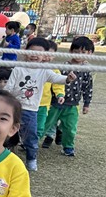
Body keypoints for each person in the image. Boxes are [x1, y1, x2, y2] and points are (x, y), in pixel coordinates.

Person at [5, 37, 75, 171]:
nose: (35, 55)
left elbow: (56, 78)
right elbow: (9, 87)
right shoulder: (18, 68)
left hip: (31, 110)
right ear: (25, 52)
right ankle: (4, 156)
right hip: (13, 108)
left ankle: (31, 159)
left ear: (44, 56)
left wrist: (68, 79)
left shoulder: (44, 70)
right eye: (32, 52)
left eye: (39, 53)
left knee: (31, 136)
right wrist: (4, 100)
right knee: (8, 133)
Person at [41, 35, 95, 158]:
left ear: (90, 53)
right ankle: (33, 142)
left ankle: (68, 146)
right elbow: (54, 83)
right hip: (56, 102)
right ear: (70, 51)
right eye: (76, 51)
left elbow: (88, 88)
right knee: (45, 124)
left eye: (83, 52)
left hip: (73, 104)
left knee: (70, 127)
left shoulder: (87, 71)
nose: (79, 55)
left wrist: (86, 104)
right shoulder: (63, 67)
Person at [35, 39, 65, 141]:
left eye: (50, 54)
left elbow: (58, 84)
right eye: (45, 53)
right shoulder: (32, 66)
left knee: (40, 126)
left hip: (43, 104)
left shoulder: (54, 70)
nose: (47, 57)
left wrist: (60, 94)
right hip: (28, 102)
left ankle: (33, 144)